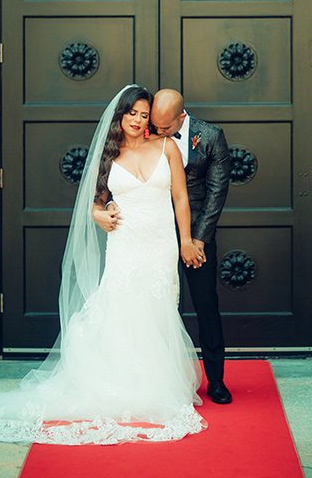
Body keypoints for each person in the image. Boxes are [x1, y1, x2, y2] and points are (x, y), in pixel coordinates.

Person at [0, 85, 206, 445]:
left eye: (144, 115)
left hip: (160, 245)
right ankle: (125, 384)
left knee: (158, 308)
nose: (138, 120)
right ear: (121, 114)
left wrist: (186, 240)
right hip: (125, 244)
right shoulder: (109, 155)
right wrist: (100, 216)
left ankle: (153, 384)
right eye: (133, 113)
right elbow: (95, 204)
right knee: (123, 307)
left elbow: (180, 197)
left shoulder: (167, 147)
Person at [97, 89, 232, 405]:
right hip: (143, 233)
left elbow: (215, 194)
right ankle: (147, 377)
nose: (153, 130)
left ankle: (216, 381)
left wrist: (193, 241)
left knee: (205, 304)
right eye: (149, 122)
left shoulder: (211, 137)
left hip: (193, 234)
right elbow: (103, 190)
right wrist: (99, 210)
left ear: (179, 118)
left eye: (161, 126)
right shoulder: (138, 137)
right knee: (147, 307)